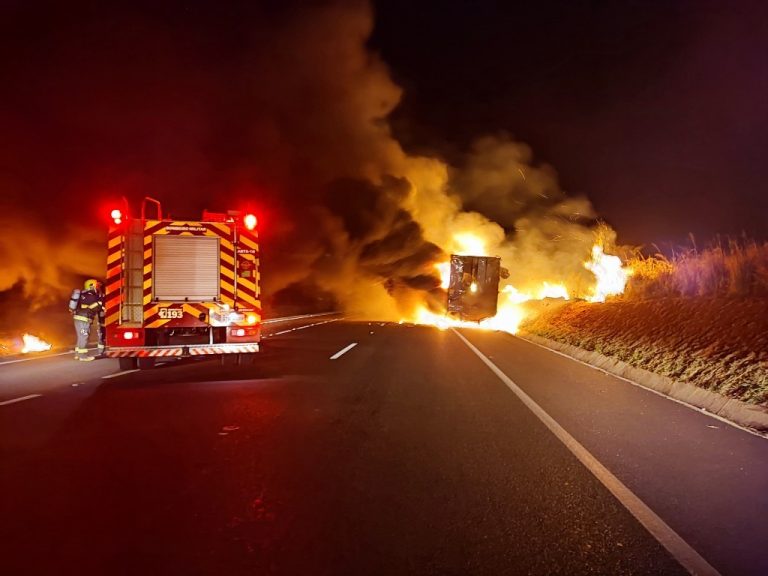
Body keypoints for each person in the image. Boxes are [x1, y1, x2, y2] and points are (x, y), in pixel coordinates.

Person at [72, 279, 104, 361]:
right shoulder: (91, 296)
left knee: (81, 336)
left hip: (78, 318)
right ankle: (83, 356)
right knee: (84, 336)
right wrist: (101, 302)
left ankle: (78, 354)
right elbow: (97, 307)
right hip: (84, 319)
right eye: (96, 286)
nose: (97, 288)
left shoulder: (83, 294)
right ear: (91, 286)